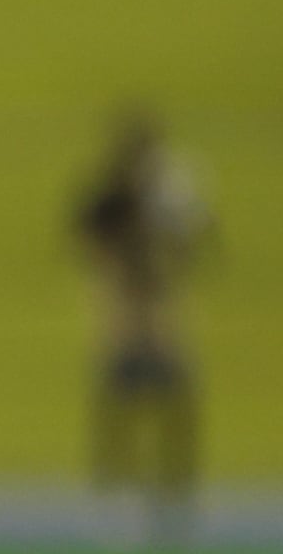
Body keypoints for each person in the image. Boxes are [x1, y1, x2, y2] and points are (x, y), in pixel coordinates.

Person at [77, 111, 213, 517]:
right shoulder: (113, 197)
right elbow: (87, 231)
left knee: (175, 396)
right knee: (118, 399)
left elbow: (199, 240)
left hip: (158, 315)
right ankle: (113, 484)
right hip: (126, 314)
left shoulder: (167, 198)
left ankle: (174, 487)